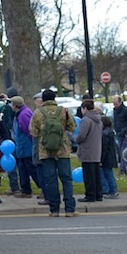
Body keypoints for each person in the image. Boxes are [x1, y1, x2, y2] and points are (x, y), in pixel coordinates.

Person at [29, 89, 77, 217]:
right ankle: (70, 209)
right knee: (66, 179)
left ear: (43, 99)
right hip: (63, 150)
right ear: (54, 98)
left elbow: (33, 132)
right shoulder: (63, 111)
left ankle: (54, 209)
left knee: (51, 180)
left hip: (46, 151)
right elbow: (72, 127)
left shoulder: (38, 113)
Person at [9, 96, 40, 198]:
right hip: (22, 148)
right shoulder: (22, 113)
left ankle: (44, 189)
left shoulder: (23, 115)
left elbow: (29, 131)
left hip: (26, 147)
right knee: (23, 170)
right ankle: (26, 190)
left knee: (32, 170)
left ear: (15, 105)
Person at [75, 100, 103, 203]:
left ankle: (90, 195)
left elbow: (82, 135)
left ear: (85, 109)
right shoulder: (99, 120)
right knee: (96, 174)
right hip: (96, 150)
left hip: (87, 150)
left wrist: (75, 139)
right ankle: (98, 195)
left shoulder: (85, 120)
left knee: (88, 175)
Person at [113, 95, 127, 175]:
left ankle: (123, 169)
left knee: (123, 151)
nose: (115, 106)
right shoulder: (116, 111)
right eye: (114, 104)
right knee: (122, 151)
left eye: (116, 104)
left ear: (120, 102)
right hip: (120, 133)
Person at [100, 116, 119, 199]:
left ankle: (110, 191)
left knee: (106, 175)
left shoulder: (104, 134)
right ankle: (113, 190)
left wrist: (101, 159)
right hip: (111, 157)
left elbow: (104, 148)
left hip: (106, 158)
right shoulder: (110, 132)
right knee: (109, 174)